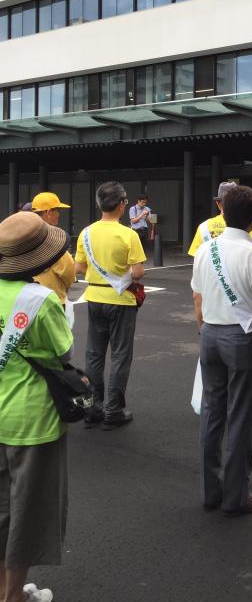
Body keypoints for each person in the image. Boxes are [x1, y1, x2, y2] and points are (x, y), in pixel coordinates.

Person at [191, 185, 252, 517]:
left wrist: (203, 328)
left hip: (210, 335)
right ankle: (236, 496)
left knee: (212, 413)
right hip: (241, 338)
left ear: (222, 213)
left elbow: (197, 298)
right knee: (241, 416)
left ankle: (210, 492)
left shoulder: (205, 250)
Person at [0, 211, 73, 602]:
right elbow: (65, 351)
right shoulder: (40, 300)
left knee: (0, 512)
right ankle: (13, 596)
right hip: (33, 421)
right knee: (27, 513)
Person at [74, 181, 146, 429]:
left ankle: (93, 408)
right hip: (121, 300)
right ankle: (113, 410)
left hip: (94, 297)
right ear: (123, 204)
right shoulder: (129, 234)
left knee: (94, 354)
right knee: (120, 355)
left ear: (99, 204)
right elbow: (137, 273)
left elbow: (80, 268)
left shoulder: (85, 232)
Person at [31, 192, 76, 307]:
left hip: (27, 298)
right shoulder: (52, 238)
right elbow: (68, 271)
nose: (59, 214)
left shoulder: (25, 234)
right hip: (51, 299)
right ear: (48, 212)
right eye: (57, 210)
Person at [187, 181, 252, 257]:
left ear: (218, 204)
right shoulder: (247, 226)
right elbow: (251, 255)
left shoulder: (204, 227)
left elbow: (197, 257)